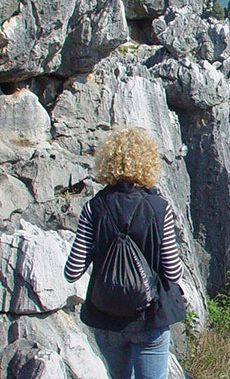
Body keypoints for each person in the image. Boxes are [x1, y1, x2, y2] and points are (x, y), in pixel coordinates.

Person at [63, 126, 185, 379]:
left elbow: (72, 271)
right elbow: (172, 272)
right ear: (148, 163)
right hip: (149, 316)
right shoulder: (159, 207)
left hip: (106, 317)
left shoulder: (92, 208)